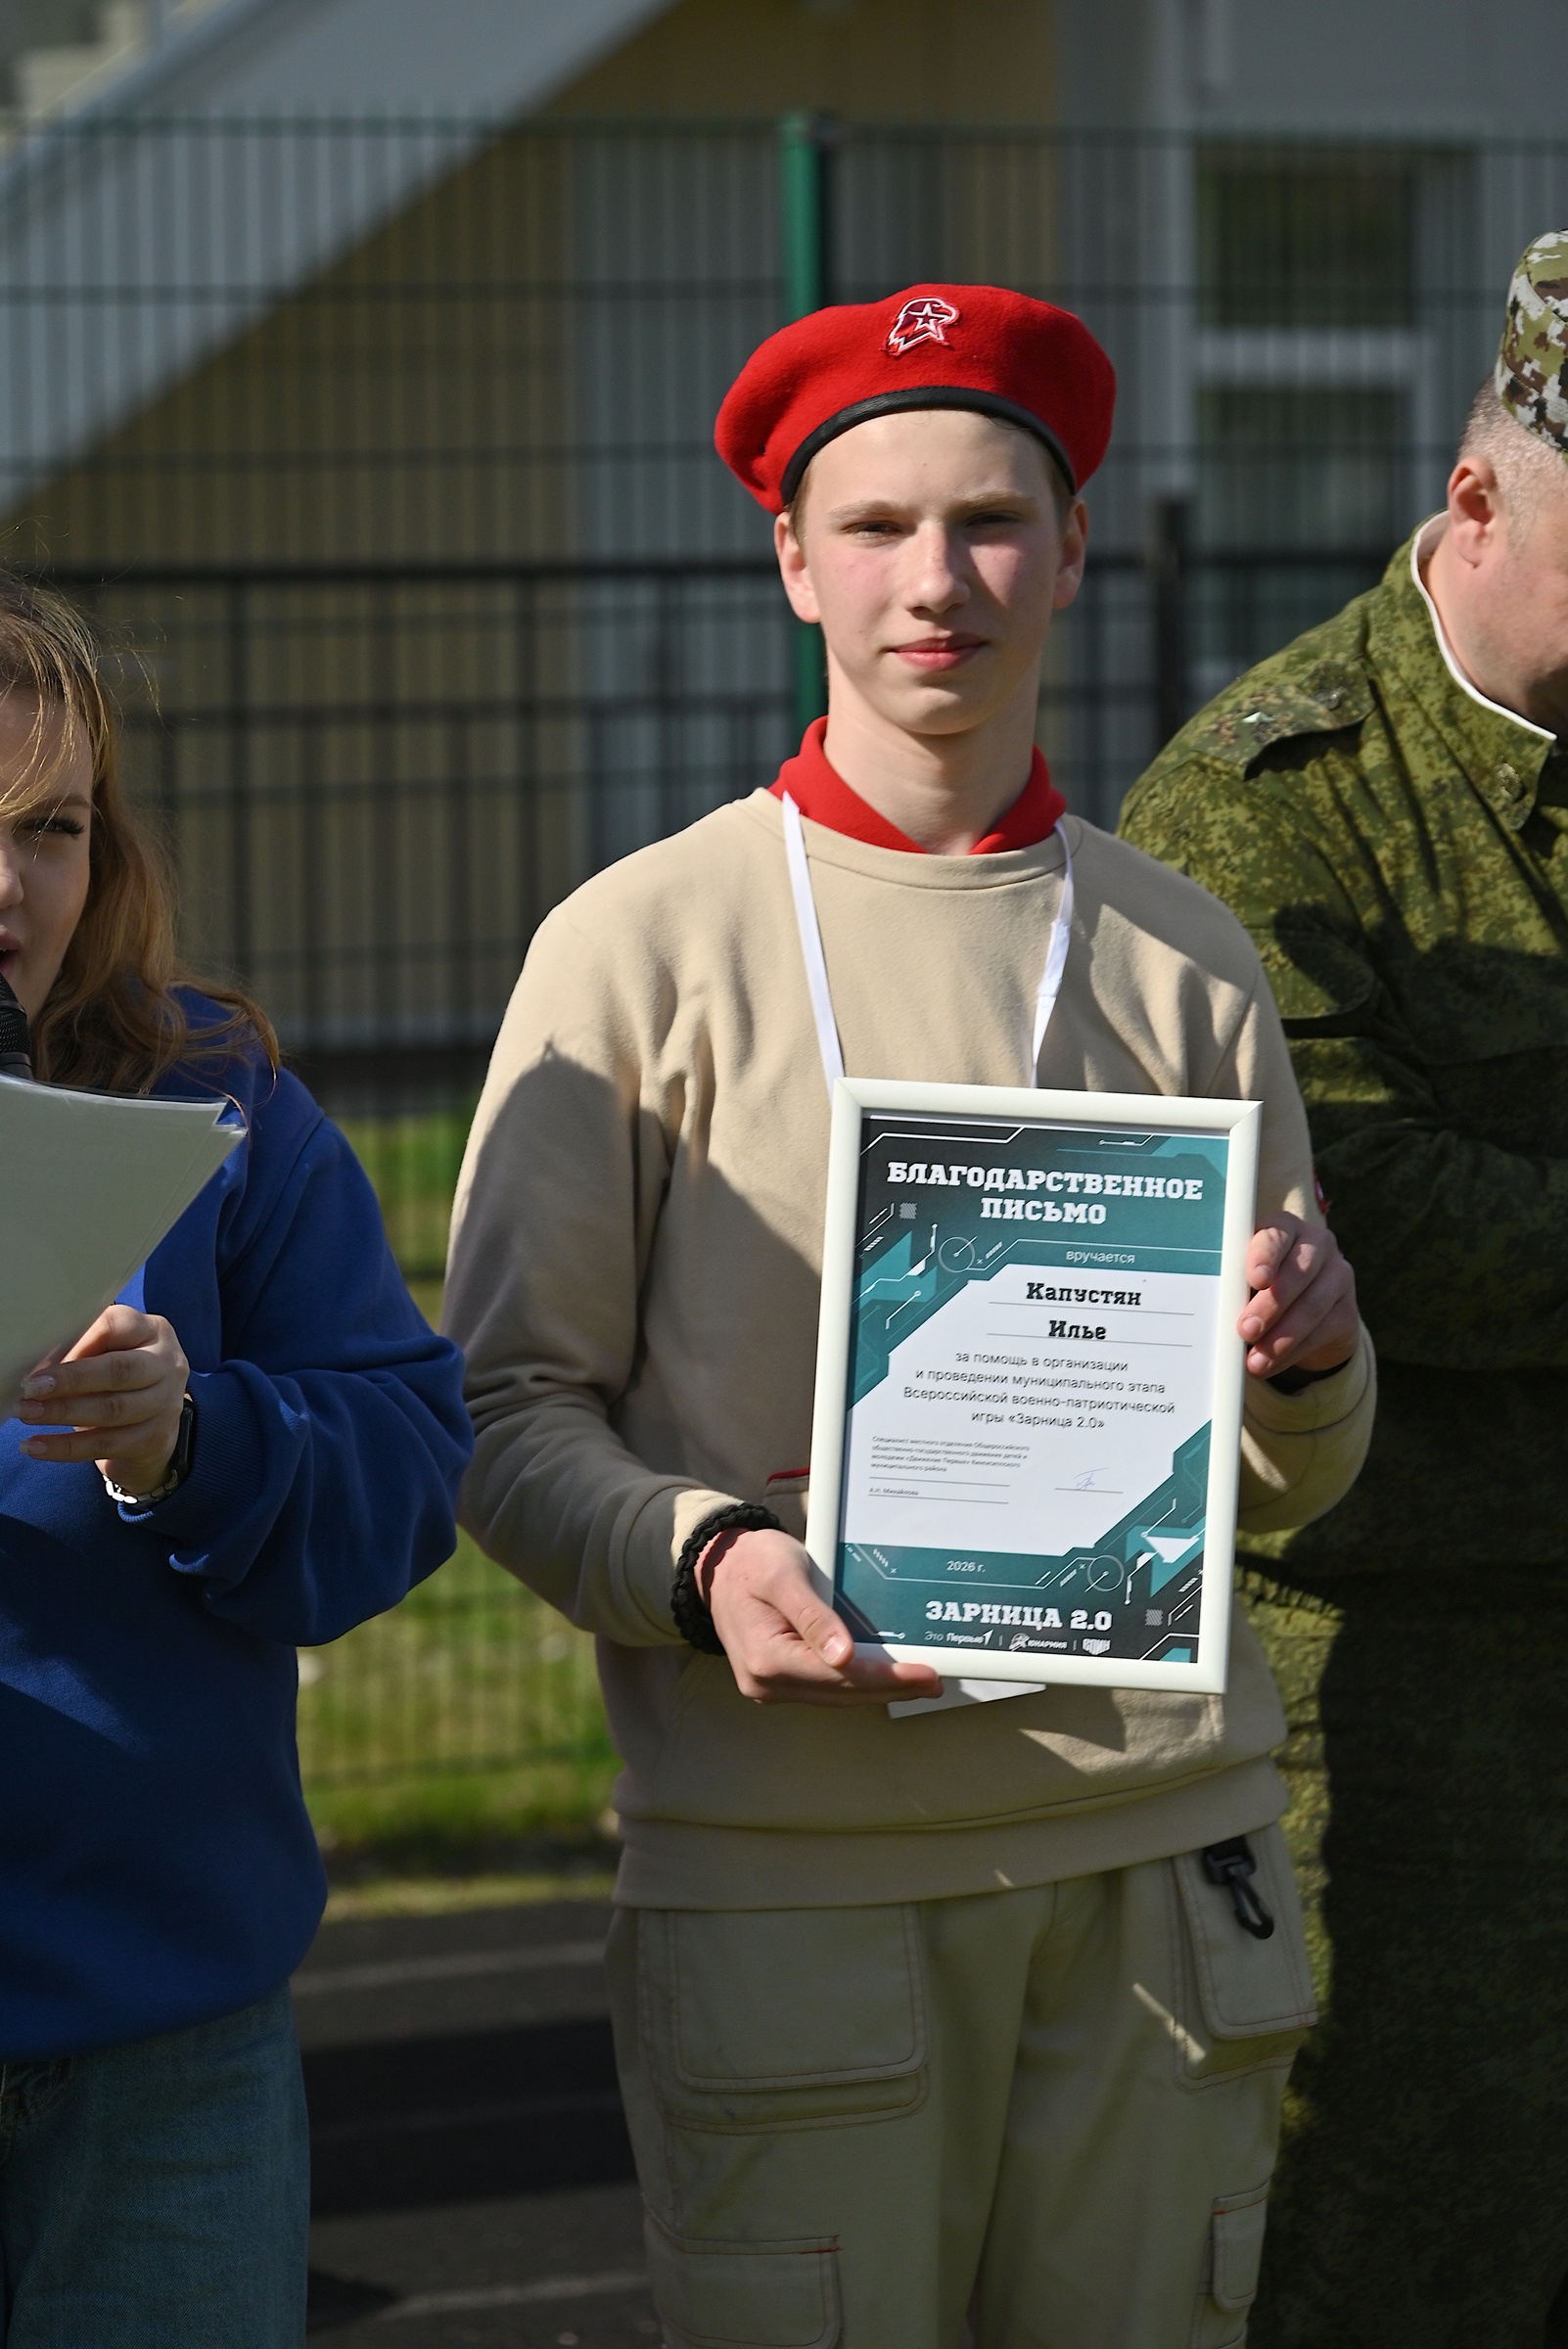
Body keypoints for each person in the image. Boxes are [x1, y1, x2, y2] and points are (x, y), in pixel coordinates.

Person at [446, 283, 1375, 2349]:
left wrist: (1311, 1363)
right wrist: (702, 1557)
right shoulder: (638, 947)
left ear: (1070, 547)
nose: (933, 580)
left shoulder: (1182, 956)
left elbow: (1284, 1481)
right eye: (873, 528)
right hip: (795, 1884)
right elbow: (504, 1412)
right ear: (794, 562)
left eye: (987, 522)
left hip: (1161, 1866)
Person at [1118, 231, 1568, 2348]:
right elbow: (1359, 1204)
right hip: (1404, 1689)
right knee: (1391, 2242)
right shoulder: (1263, 806)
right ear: (1476, 498)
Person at [0, 580, 473, 2345]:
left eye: (50, 828)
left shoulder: (220, 1107)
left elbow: (407, 1465)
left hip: (162, 2047)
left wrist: (192, 1442)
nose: (9, 887)